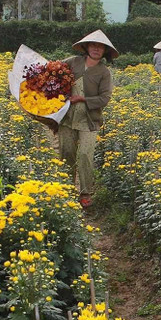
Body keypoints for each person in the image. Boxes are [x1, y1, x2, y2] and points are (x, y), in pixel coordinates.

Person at [57, 29, 117, 208]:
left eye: (100, 47)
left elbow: (104, 99)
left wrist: (82, 99)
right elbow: (54, 71)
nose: (96, 49)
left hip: (89, 120)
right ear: (87, 47)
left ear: (104, 51)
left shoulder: (104, 73)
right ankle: (66, 190)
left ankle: (85, 193)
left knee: (85, 155)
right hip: (67, 117)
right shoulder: (72, 62)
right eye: (93, 45)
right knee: (66, 153)